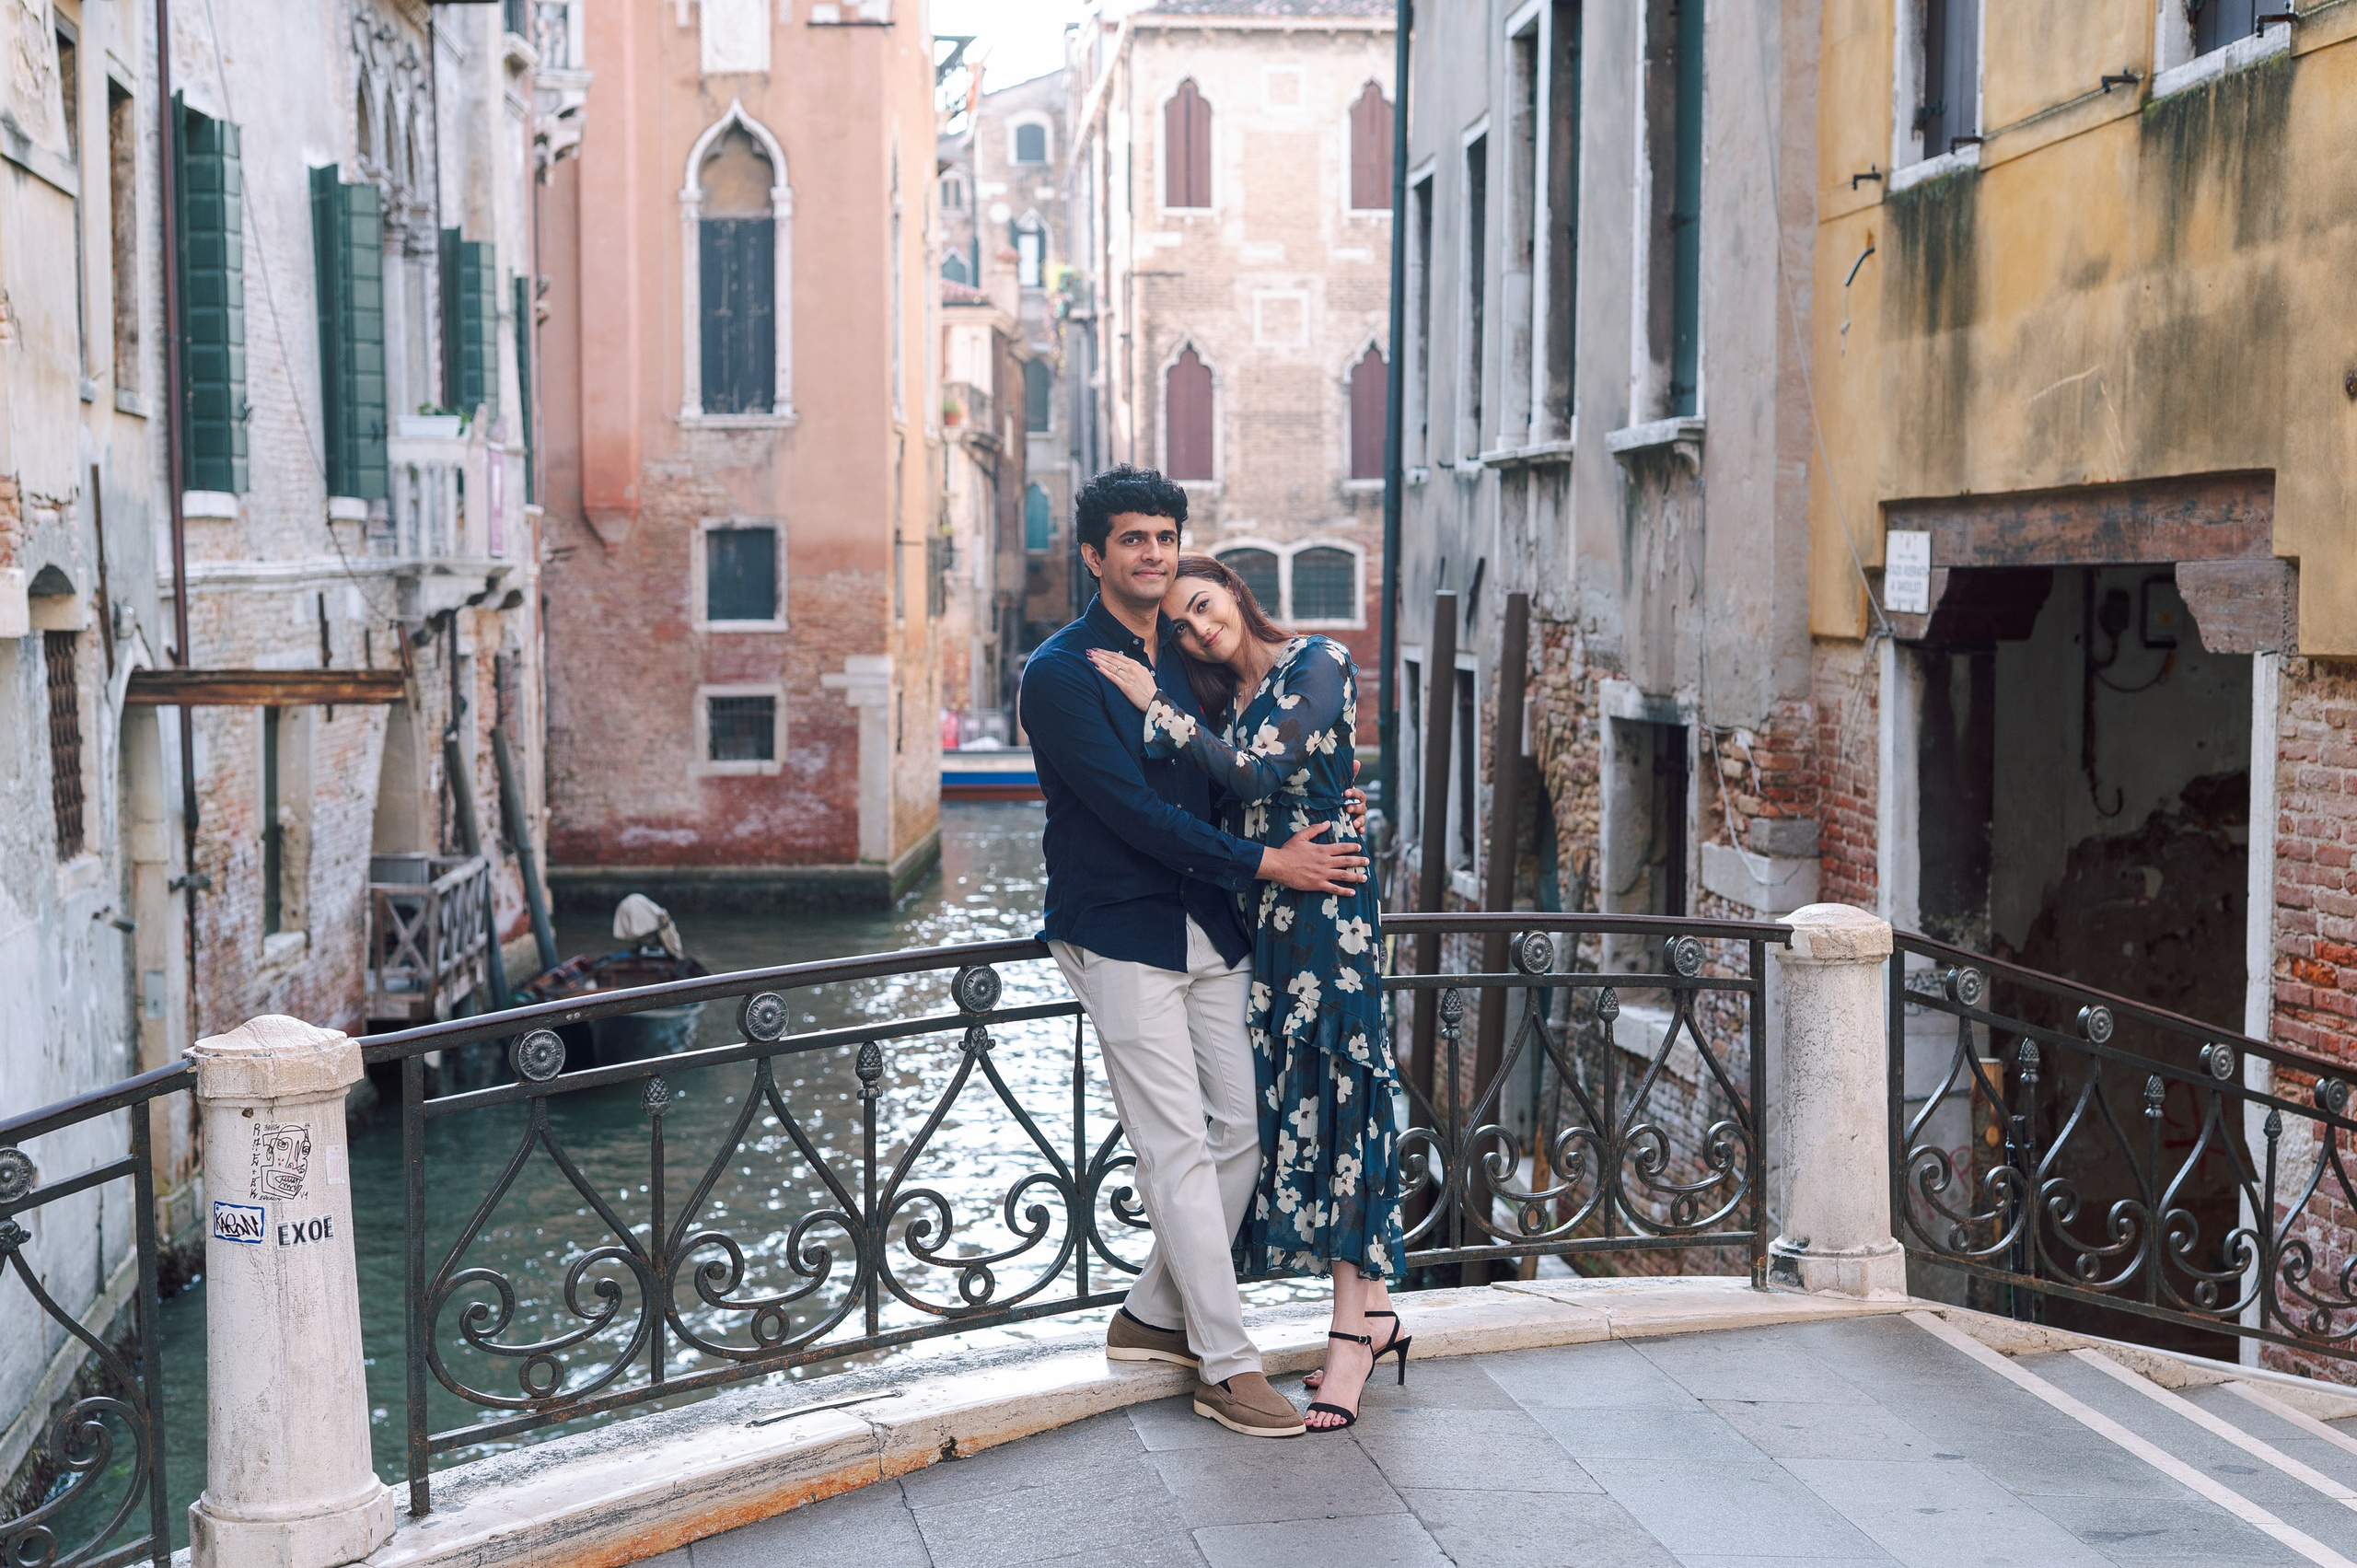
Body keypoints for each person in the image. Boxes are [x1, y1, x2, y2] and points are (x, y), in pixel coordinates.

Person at [1017, 465, 1370, 1440]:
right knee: (1174, 1145)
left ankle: (1150, 1311)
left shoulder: (1186, 660)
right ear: (1093, 556)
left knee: (1242, 1133)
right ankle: (1224, 1359)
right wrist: (1269, 860)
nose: (1152, 555)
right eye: (1133, 539)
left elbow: (1236, 778)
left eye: (1164, 538)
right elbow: (1130, 813)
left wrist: (1328, 806)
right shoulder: (1055, 674)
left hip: (1211, 923)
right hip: (1120, 929)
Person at [1087, 553, 1407, 1433]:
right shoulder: (1227, 707)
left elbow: (1260, 778)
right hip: (1266, 920)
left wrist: (1151, 706)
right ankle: (1372, 1313)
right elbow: (1220, 797)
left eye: (1201, 604)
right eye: (1184, 626)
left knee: (1346, 1101)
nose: (1198, 627)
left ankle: (1351, 1334)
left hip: (1329, 915)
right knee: (1294, 1107)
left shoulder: (1320, 661)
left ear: (1232, 588)